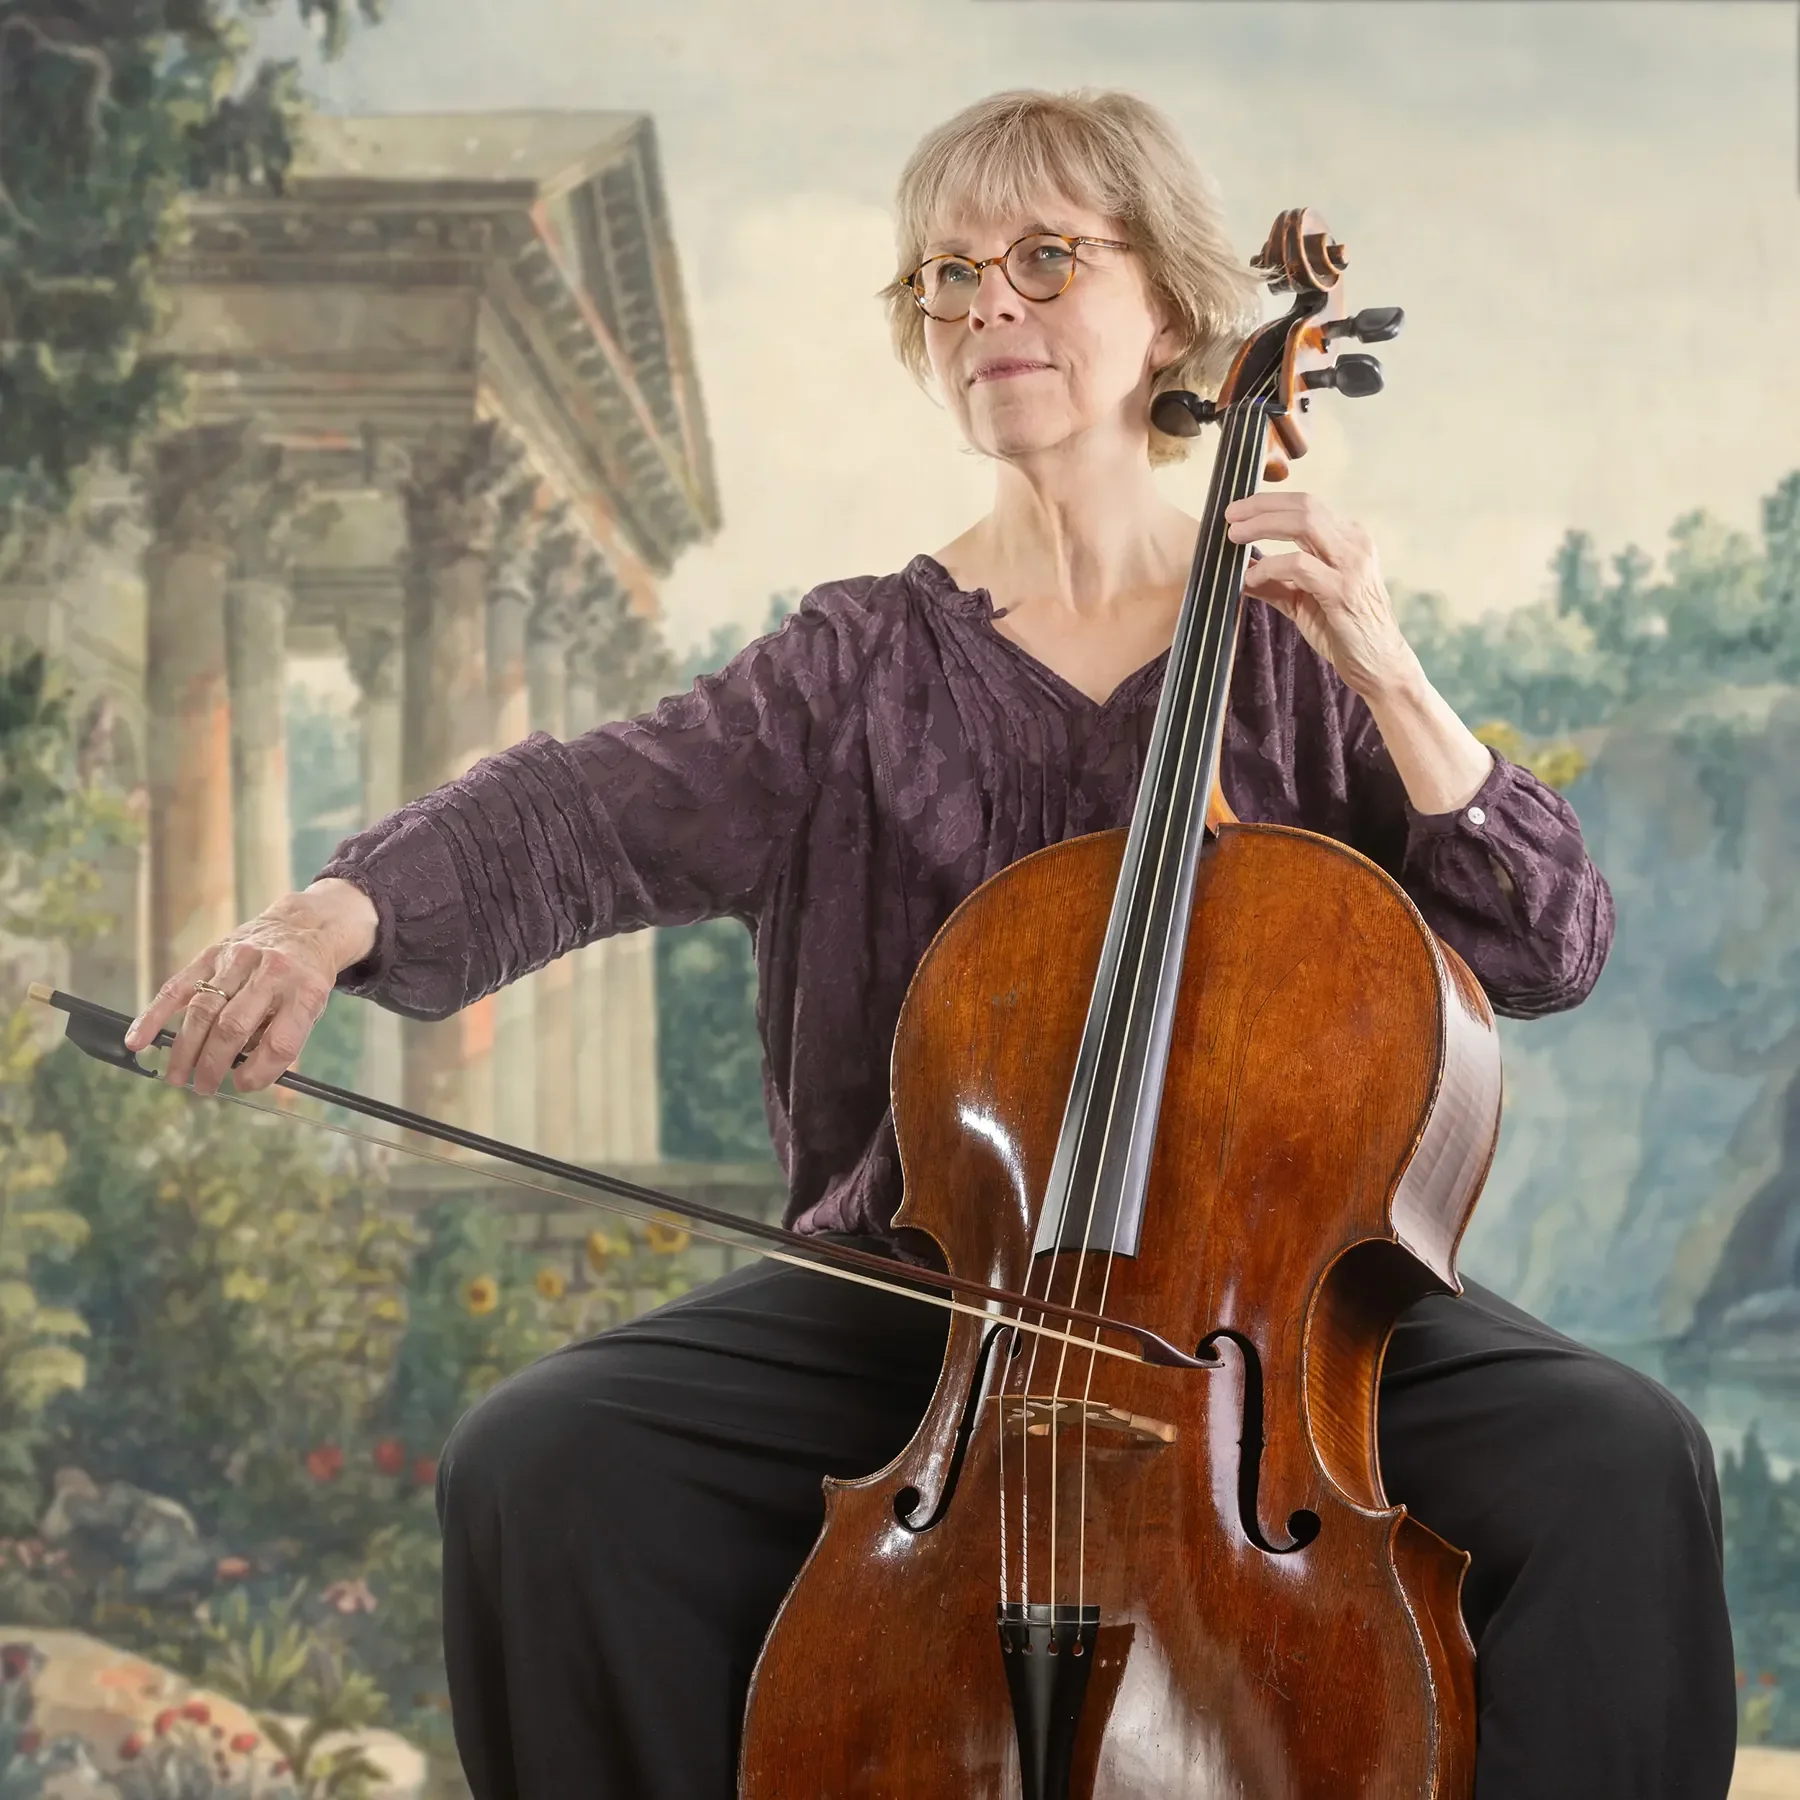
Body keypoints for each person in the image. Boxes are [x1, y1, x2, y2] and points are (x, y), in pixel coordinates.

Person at [126, 88, 1734, 1800]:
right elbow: (584, 814)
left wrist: (1383, 660)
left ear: (1175, 312)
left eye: (1045, 258)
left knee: (1623, 1459)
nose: (987, 306)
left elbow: (1544, 943)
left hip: (1276, 1325)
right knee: (544, 1460)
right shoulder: (853, 669)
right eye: (948, 278)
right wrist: (332, 915)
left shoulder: (1300, 650)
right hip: (923, 1302)